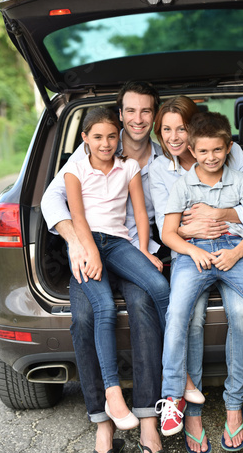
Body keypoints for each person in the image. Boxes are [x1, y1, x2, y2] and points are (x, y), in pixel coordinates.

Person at [42, 81, 205, 453]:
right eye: (130, 111)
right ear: (119, 115)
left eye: (147, 111)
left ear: (156, 115)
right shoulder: (82, 161)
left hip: (135, 250)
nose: (138, 118)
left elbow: (179, 208)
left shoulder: (165, 161)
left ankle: (149, 415)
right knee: (85, 318)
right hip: (90, 248)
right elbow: (56, 203)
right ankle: (103, 420)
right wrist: (78, 244)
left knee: (146, 307)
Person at [158, 111, 243, 450]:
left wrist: (235, 255)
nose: (211, 158)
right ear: (192, 150)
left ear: (228, 147)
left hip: (237, 251)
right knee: (177, 313)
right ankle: (173, 395)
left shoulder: (240, 180)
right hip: (196, 255)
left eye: (217, 151)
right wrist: (192, 251)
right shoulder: (183, 184)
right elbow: (167, 234)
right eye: (203, 152)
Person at [62, 105, 170, 430]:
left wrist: (143, 251)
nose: (106, 143)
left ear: (118, 137)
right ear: (85, 138)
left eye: (111, 136)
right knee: (104, 308)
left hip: (119, 243)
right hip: (87, 244)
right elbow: (77, 216)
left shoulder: (130, 167)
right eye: (97, 137)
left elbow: (139, 213)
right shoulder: (74, 171)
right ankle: (113, 392)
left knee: (161, 287)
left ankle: (180, 370)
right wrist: (88, 250)